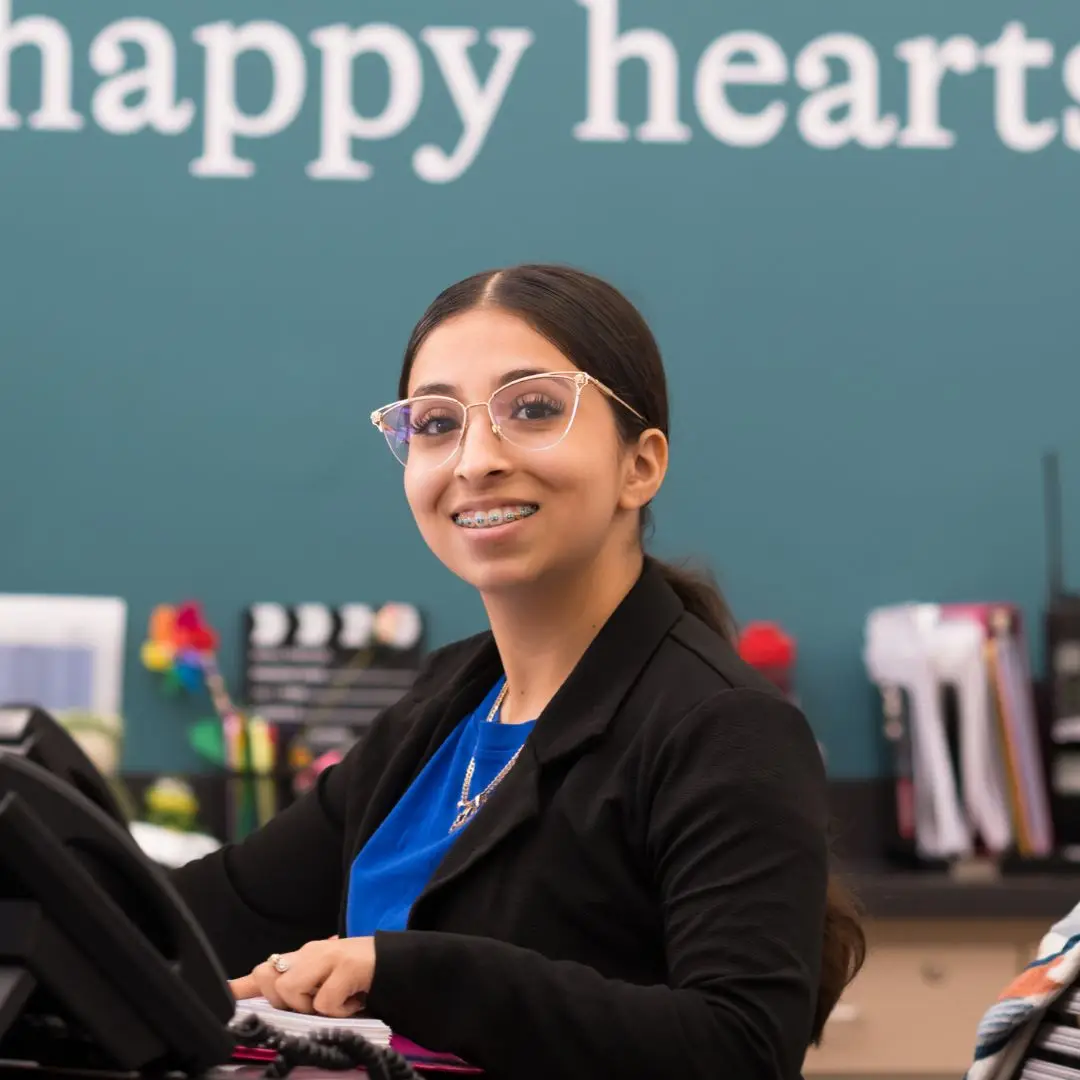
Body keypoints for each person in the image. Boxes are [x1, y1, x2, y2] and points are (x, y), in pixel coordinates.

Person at [172, 264, 865, 1080]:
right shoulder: (444, 701)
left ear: (640, 466)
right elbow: (221, 908)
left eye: (532, 409)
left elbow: (739, 1048)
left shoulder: (723, 726)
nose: (474, 460)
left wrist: (407, 972)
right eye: (434, 423)